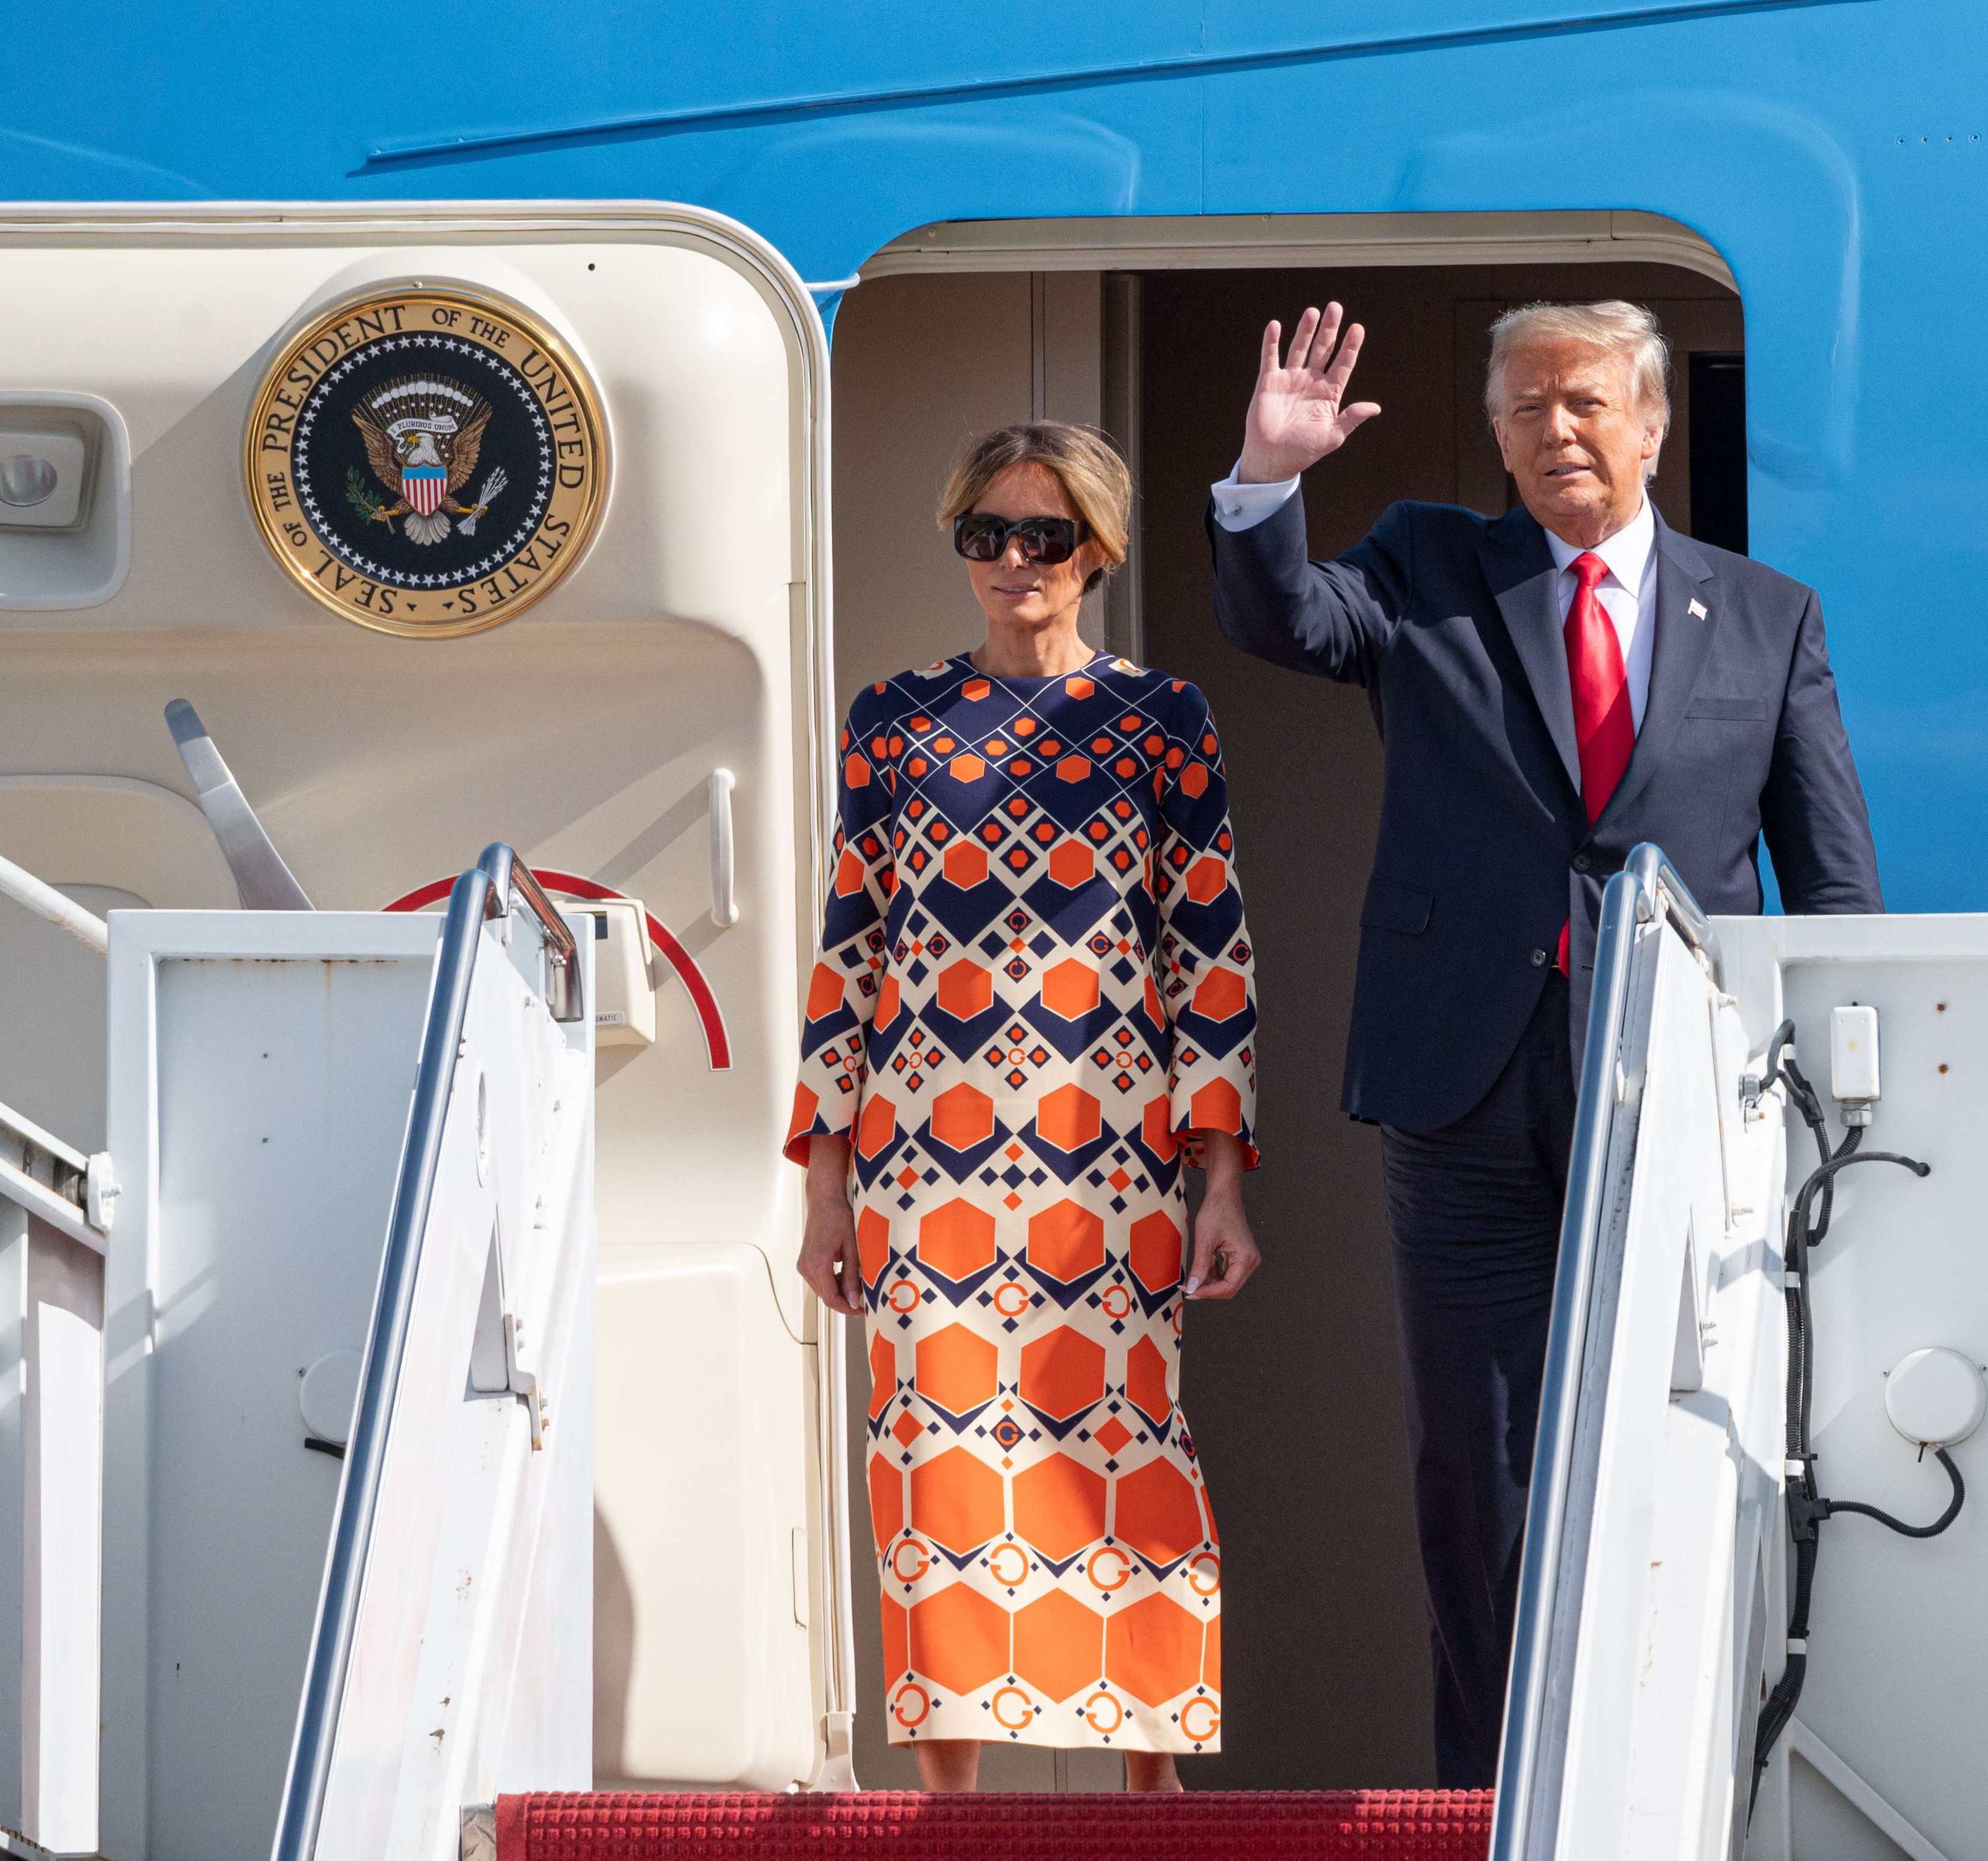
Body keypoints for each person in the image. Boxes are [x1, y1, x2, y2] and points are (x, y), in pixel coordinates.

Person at [1207, 299, 1881, 1786]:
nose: (1555, 431)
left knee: (1687, 1428)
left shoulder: (1763, 616)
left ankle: (1682, 1771)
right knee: (1478, 1458)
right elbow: (1285, 623)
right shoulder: (1428, 565)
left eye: (1584, 402)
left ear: (1649, 421)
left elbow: (1825, 876)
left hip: (1679, 1094)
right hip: (1464, 1088)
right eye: (1523, 408)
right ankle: (1495, 1789)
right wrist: (1266, 477)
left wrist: (1829, 1098)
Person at [790, 422, 1262, 1791]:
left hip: (1103, 1149)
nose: (1011, 560)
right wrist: (823, 1184)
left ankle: (1151, 1778)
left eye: (1042, 536)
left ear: (1095, 551)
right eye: (984, 534)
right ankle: (949, 1791)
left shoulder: (1161, 719)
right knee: (935, 1449)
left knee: (1121, 1437)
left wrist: (1218, 1178)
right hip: (919, 1157)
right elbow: (849, 955)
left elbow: (1209, 954)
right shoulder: (892, 717)